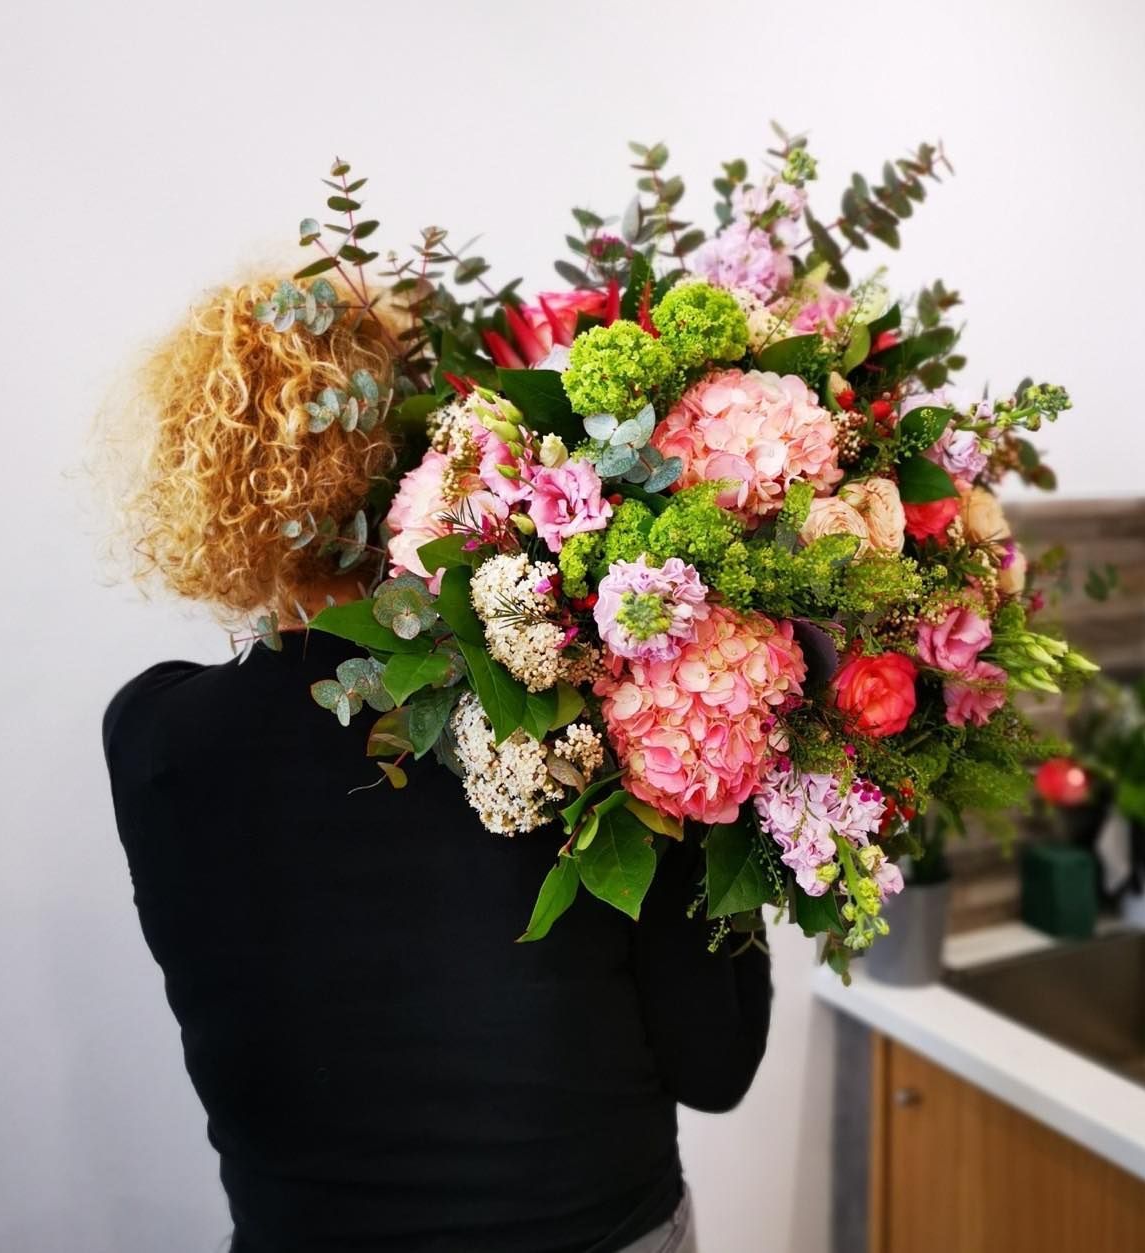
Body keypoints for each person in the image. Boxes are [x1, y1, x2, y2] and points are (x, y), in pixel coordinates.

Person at [101, 279, 772, 1252]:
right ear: (429, 450)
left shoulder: (153, 736)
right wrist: (729, 747)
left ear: (203, 486)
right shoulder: (586, 711)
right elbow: (716, 1065)